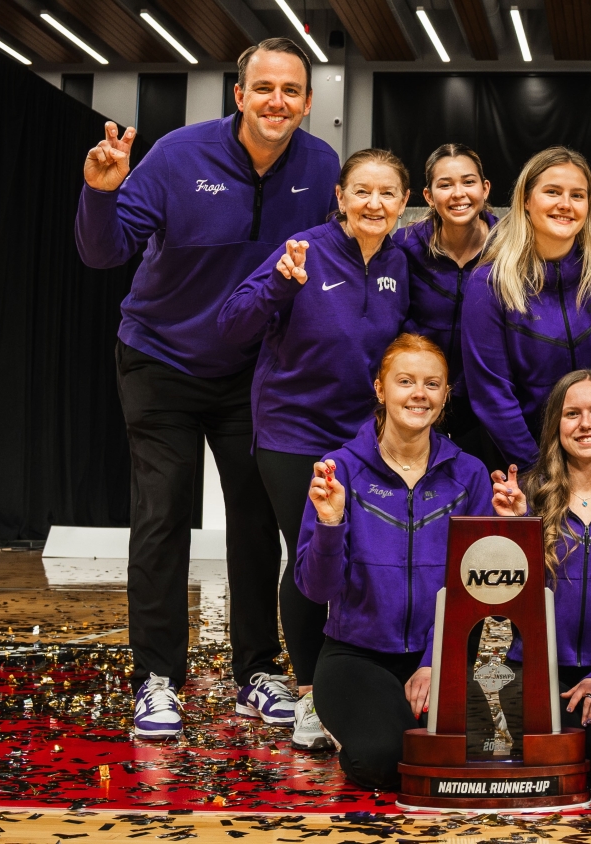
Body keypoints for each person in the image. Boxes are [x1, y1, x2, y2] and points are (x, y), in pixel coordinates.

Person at [74, 37, 341, 739]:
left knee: (256, 521)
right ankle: (157, 679)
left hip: (252, 370)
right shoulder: (178, 156)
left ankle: (257, 670)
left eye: (291, 90)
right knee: (162, 516)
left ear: (308, 102)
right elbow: (103, 252)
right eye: (264, 88)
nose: (277, 101)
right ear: (240, 95)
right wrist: (101, 194)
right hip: (159, 358)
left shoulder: (321, 167)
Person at [218, 149, 413, 750]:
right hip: (293, 433)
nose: (374, 203)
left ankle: (347, 679)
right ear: (340, 196)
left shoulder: (401, 262)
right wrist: (279, 285)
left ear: (404, 203)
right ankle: (308, 696)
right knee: (311, 551)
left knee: (353, 556)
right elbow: (233, 323)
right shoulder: (304, 248)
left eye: (387, 193)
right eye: (362, 191)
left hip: (364, 438)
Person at [296, 333, 493, 791]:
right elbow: (316, 590)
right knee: (383, 764)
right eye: (405, 381)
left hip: (440, 655)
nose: (419, 394)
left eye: (432, 384)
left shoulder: (470, 476)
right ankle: (358, 724)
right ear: (381, 389)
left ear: (446, 396)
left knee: (461, 759)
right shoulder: (339, 470)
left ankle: (400, 722)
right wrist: (330, 523)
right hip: (356, 655)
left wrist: (433, 662)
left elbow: (475, 588)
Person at [462, 146, 591, 470]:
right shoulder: (489, 283)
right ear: (526, 201)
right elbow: (492, 396)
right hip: (527, 460)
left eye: (577, 195)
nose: (565, 204)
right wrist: (537, 472)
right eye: (553, 192)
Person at [491, 370, 591, 759]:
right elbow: (496, 605)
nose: (586, 424)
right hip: (533, 671)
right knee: (535, 761)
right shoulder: (524, 499)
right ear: (554, 426)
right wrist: (512, 532)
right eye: (571, 413)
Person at [392, 144, 501, 465]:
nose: (458, 194)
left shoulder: (510, 249)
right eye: (445, 184)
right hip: (418, 401)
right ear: (428, 196)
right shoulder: (404, 247)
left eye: (468, 182)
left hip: (485, 405)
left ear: (485, 188)